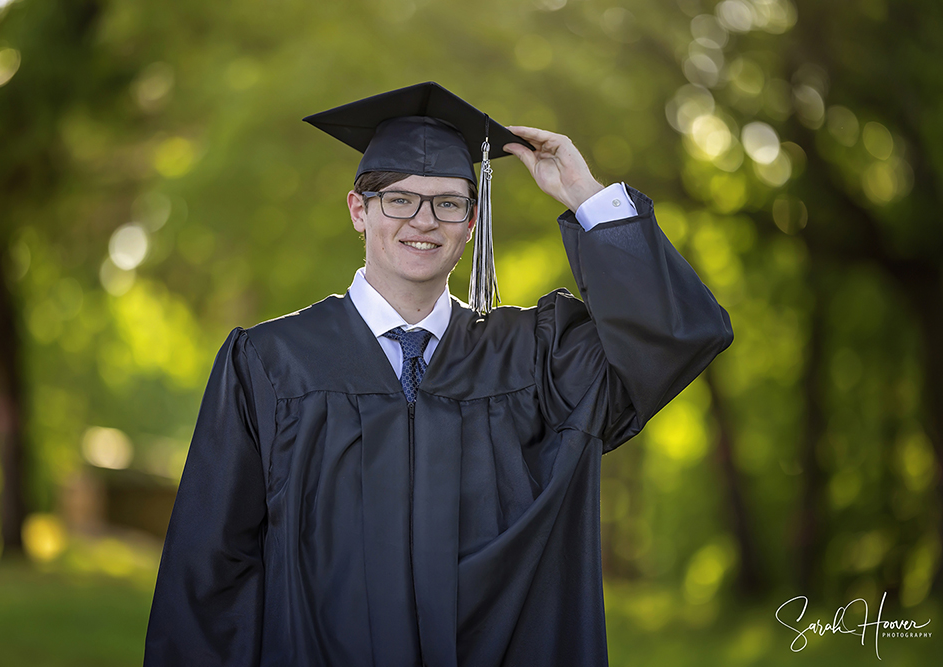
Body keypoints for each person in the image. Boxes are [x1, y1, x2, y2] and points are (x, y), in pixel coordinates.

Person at [144, 82, 733, 667]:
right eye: (399, 199)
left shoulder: (536, 360)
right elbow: (210, 574)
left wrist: (587, 197)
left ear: (472, 221)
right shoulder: (272, 363)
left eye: (448, 203)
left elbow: (677, 338)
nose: (423, 220)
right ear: (358, 210)